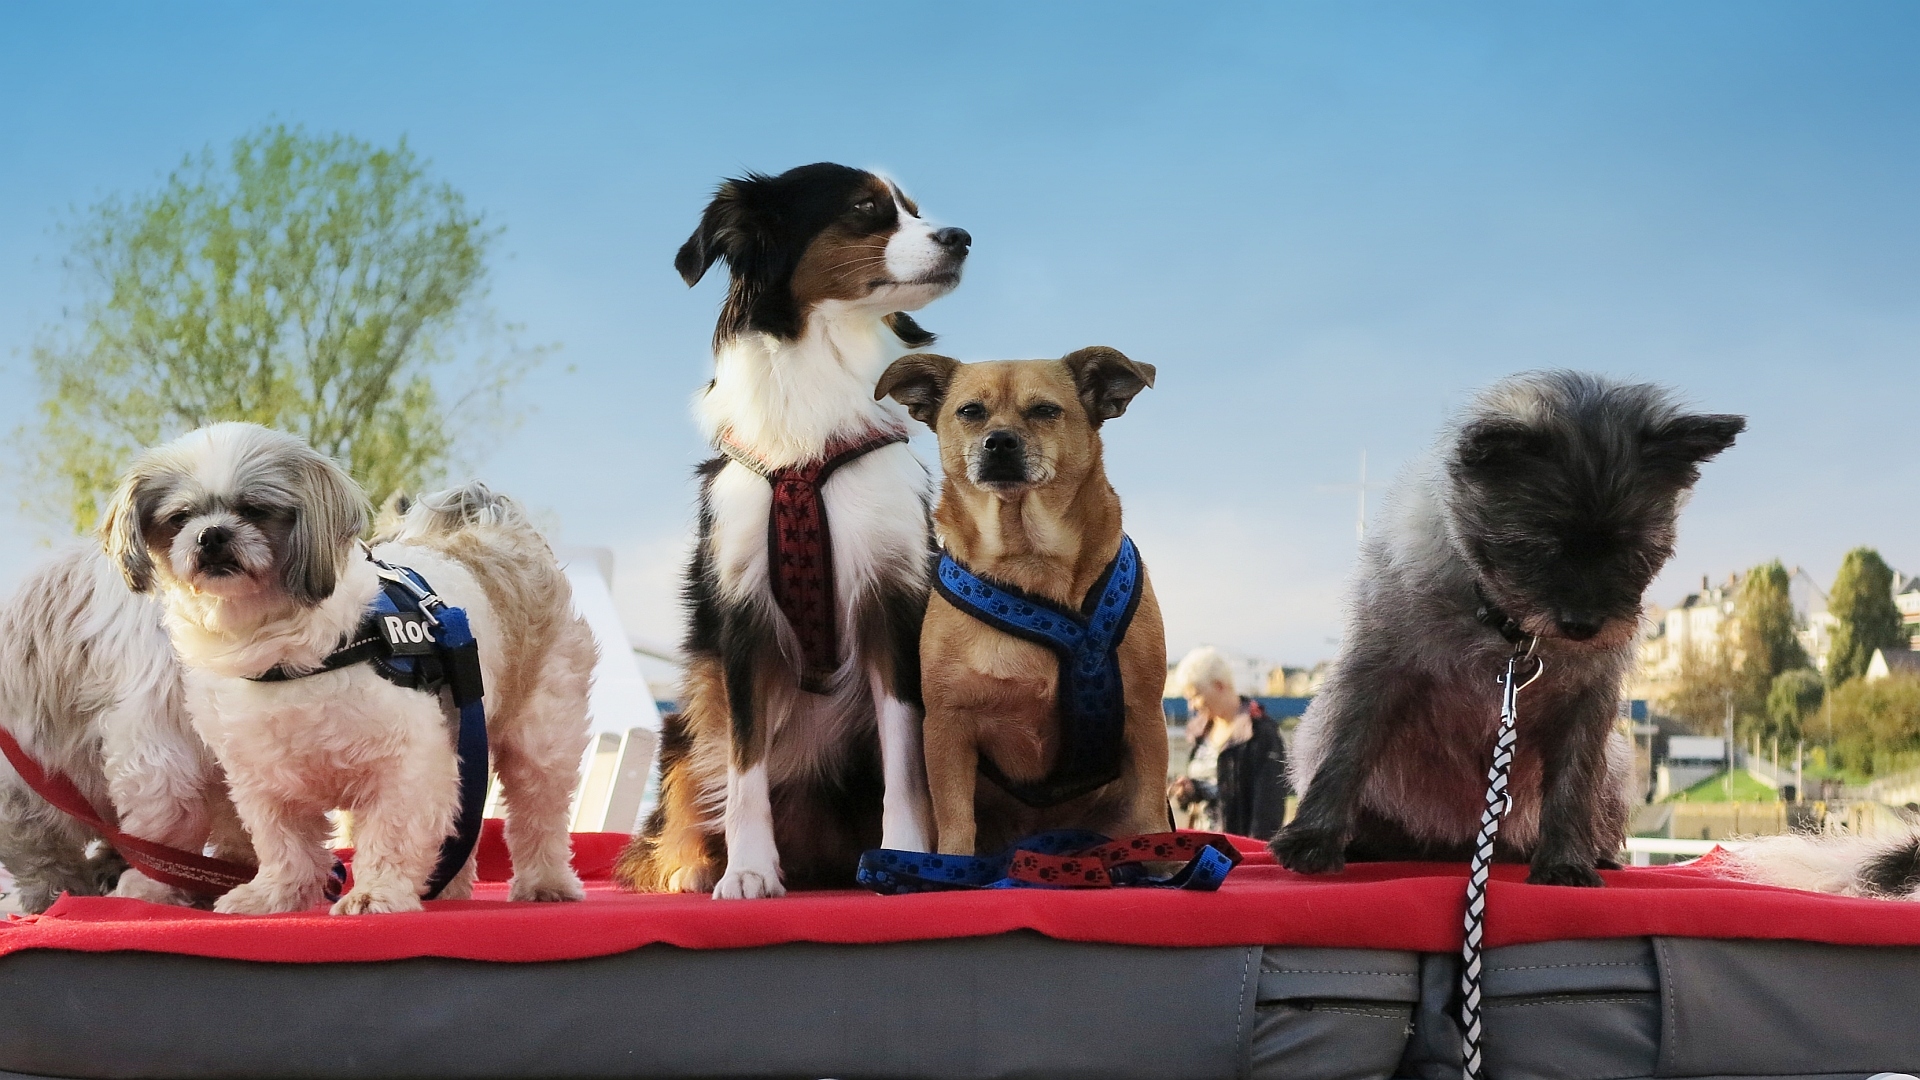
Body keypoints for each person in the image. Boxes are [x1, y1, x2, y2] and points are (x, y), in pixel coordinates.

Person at [1168, 646, 1289, 838]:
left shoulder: (1260, 732)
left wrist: (1253, 858)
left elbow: (1269, 809)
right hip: (1202, 850)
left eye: (1195, 696)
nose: (1192, 706)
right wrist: (1191, 790)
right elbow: (1212, 788)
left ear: (1219, 685)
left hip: (1237, 852)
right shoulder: (1199, 731)